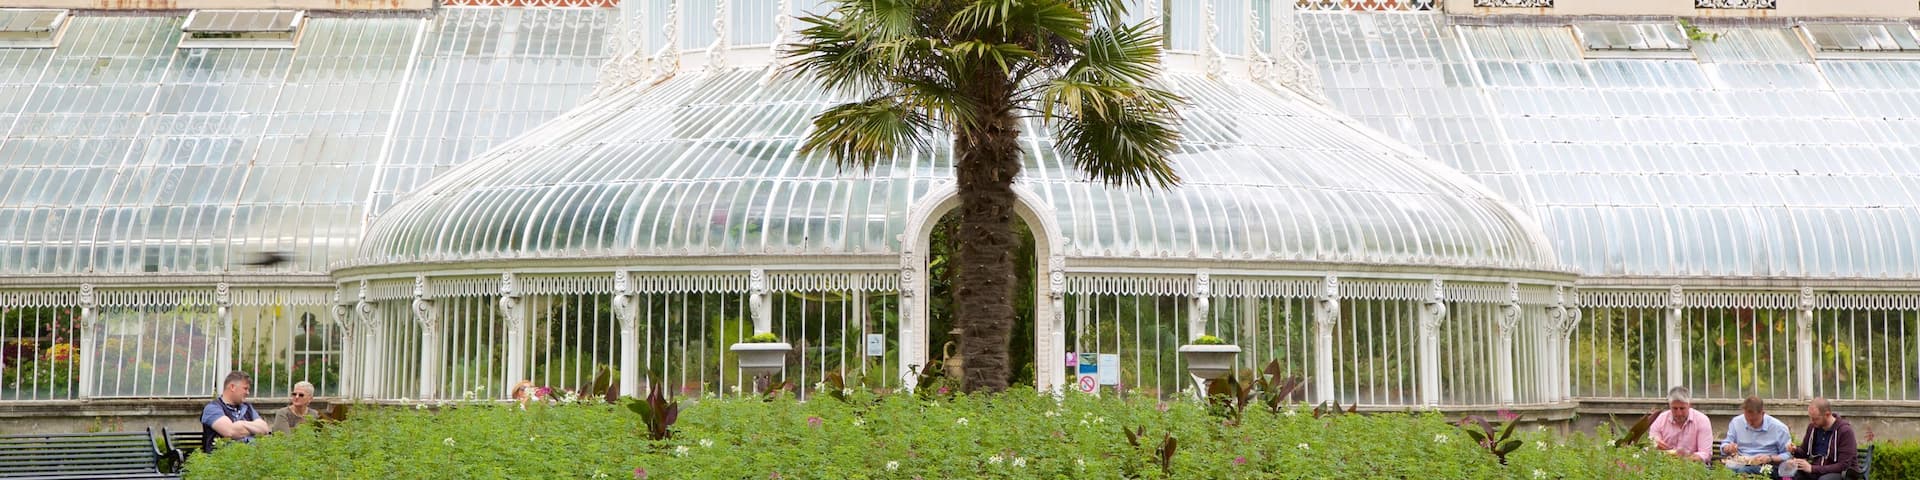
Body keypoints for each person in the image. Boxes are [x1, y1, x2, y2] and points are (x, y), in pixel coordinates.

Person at [1784, 398, 1859, 480]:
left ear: (1827, 414)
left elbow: (1843, 465)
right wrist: (1794, 450)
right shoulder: (1813, 427)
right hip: (1817, 471)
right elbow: (1804, 452)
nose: (1812, 421)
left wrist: (1812, 468)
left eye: (1815, 418)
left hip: (1842, 474)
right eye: (1811, 418)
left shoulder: (1844, 431)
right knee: (1790, 472)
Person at [1720, 396, 1792, 476]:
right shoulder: (1736, 422)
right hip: (1740, 462)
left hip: (1767, 466)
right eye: (1747, 420)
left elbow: (1787, 455)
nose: (1750, 423)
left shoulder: (1779, 428)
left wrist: (1770, 458)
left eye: (1754, 420)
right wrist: (1727, 448)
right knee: (1728, 470)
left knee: (1744, 471)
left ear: (1762, 413)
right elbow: (1725, 444)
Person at [201, 371, 271, 452]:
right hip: (223, 460)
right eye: (245, 388)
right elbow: (230, 432)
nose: (248, 393)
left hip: (251, 459)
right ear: (232, 387)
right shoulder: (212, 408)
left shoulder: (248, 407)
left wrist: (242, 424)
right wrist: (253, 429)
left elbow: (264, 429)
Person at [1648, 386, 1713, 464]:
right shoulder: (1660, 419)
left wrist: (1685, 459)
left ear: (1689, 405)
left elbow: (1705, 454)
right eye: (1674, 408)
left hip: (1693, 467)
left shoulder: (1702, 420)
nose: (1679, 413)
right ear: (1669, 406)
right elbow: (1652, 443)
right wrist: (1656, 444)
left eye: (1682, 408)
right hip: (1664, 465)